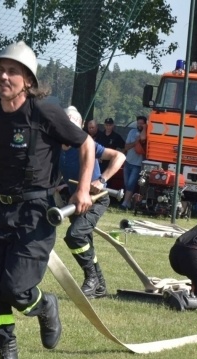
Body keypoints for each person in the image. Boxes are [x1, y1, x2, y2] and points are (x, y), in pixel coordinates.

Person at [0, 41, 94, 359]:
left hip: (36, 213)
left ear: (28, 80)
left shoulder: (45, 112)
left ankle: (46, 305)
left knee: (16, 289)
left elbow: (87, 144)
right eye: (0, 70)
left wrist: (83, 189)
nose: (4, 76)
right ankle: (8, 358)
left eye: (12, 71)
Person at [60, 106, 126, 299]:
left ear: (80, 126)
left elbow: (119, 156)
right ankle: (100, 287)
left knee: (75, 236)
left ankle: (91, 278)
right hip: (75, 201)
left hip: (96, 199)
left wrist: (102, 180)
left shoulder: (87, 144)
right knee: (85, 242)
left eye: (73, 124)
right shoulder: (56, 146)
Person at [121, 115, 146, 210]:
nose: (139, 125)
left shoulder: (146, 133)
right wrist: (136, 142)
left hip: (138, 164)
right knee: (127, 183)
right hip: (128, 161)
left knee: (131, 184)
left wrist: (145, 129)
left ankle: (124, 203)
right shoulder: (132, 132)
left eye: (142, 123)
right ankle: (129, 201)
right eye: (138, 123)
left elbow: (143, 139)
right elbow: (126, 146)